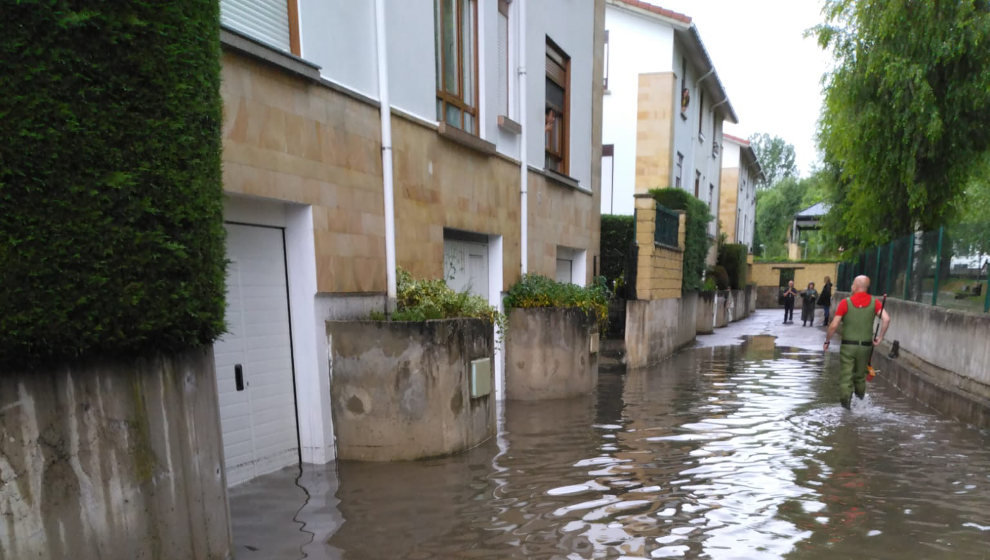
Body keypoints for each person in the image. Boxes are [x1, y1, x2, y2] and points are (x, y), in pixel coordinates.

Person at [824, 275, 891, 409]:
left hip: (848, 346)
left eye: (852, 285)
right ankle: (860, 404)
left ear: (855, 286)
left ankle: (845, 407)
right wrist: (880, 337)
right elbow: (886, 319)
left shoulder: (846, 303)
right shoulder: (874, 302)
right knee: (860, 376)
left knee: (846, 377)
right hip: (865, 346)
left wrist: (827, 341)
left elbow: (833, 325)